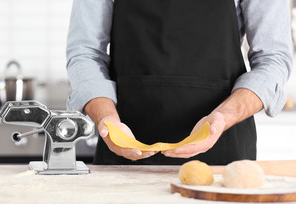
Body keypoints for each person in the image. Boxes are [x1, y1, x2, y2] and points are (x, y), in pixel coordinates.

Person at [66, 0, 293, 165]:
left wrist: (223, 118)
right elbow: (85, 52)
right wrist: (107, 119)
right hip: (125, 145)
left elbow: (273, 59)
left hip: (222, 153)